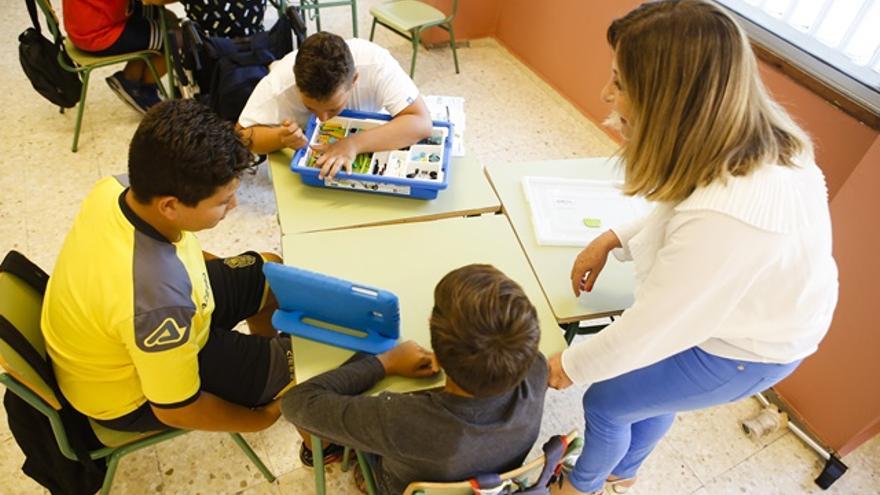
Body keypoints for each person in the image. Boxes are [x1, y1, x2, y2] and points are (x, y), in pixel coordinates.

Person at [547, 2, 839, 494]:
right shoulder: (750, 141)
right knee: (647, 397)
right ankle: (626, 468)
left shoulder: (728, 216)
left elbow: (654, 326)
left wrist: (568, 366)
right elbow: (686, 203)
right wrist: (613, 237)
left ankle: (584, 484)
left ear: (668, 99)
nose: (606, 94)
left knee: (606, 401)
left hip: (751, 348)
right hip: (767, 312)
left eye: (619, 82)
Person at [41, 99, 292, 433]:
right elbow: (176, 411)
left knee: (270, 273)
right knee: (302, 361)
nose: (233, 206)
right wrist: (260, 419)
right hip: (132, 395)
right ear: (171, 206)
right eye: (222, 201)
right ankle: (271, 382)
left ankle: (263, 362)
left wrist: (238, 278)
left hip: (143, 326)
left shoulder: (114, 188)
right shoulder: (156, 301)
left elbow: (181, 256)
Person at [282, 264, 547, 494]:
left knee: (368, 452)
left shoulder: (400, 420)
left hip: (399, 485)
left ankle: (364, 478)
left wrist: (384, 362)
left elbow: (296, 402)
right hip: (493, 480)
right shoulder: (537, 369)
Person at [237, 31, 433, 179]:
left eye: (332, 108)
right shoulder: (279, 84)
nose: (323, 119)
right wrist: (280, 137)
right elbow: (242, 135)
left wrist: (354, 144)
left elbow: (421, 122)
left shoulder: (376, 64)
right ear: (296, 85)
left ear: (354, 79)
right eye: (310, 108)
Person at [62, 0, 176, 113]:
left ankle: (133, 77)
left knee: (165, 17)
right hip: (98, 34)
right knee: (176, 38)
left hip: (83, 22)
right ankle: (138, 88)